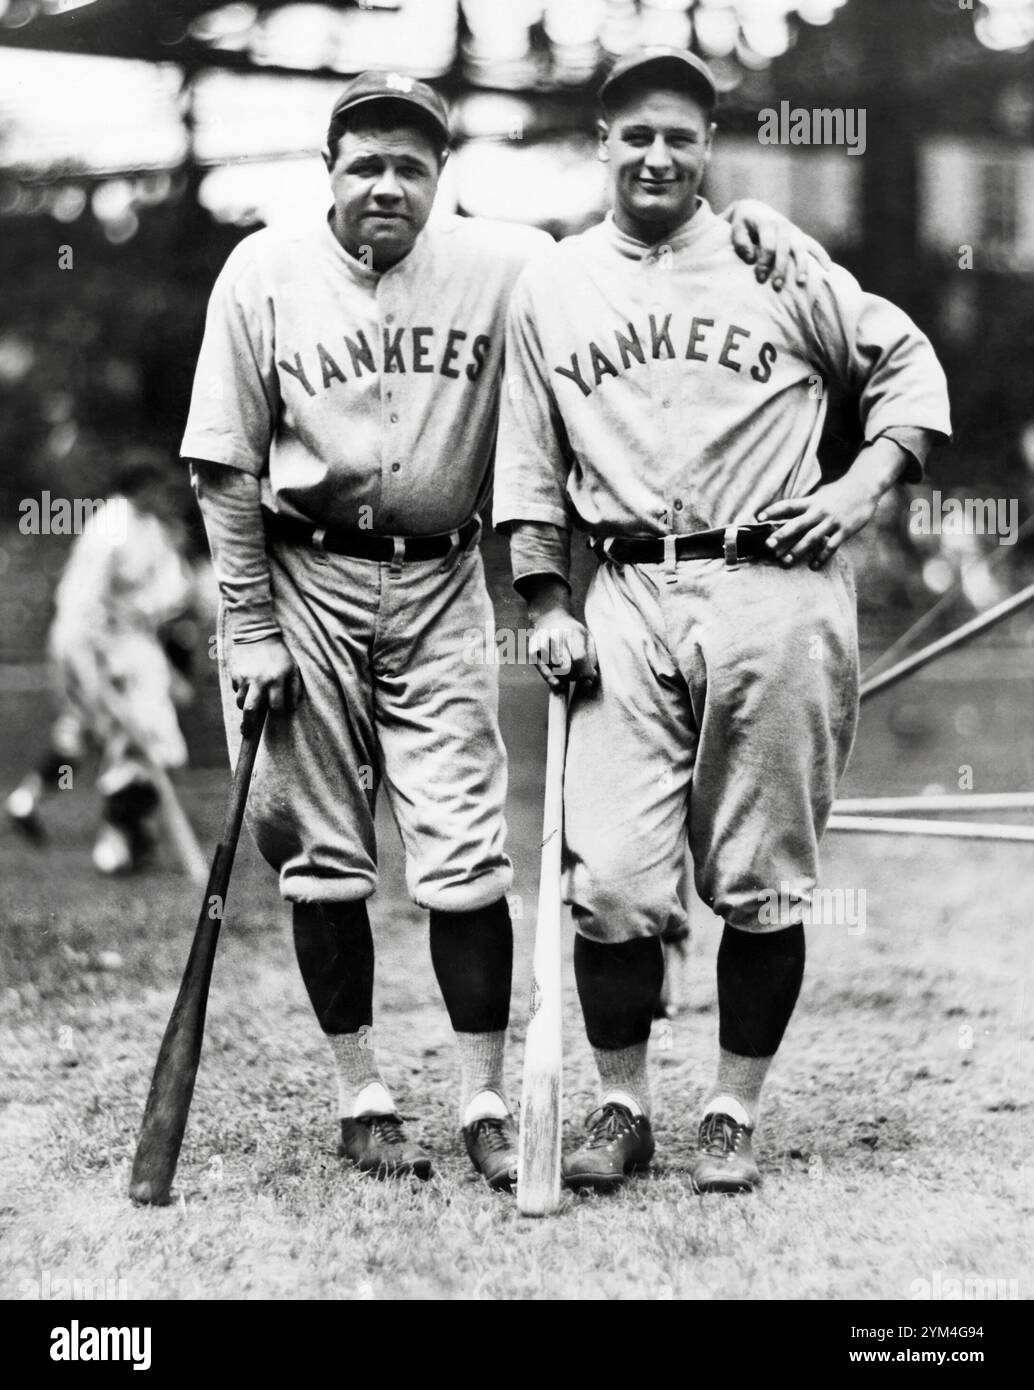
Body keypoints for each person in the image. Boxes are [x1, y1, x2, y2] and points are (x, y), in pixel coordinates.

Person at [181, 67, 831, 1187]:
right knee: (324, 861)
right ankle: (361, 1092)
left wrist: (752, 225)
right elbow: (223, 465)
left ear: (441, 175)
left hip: (441, 584)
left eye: (410, 166)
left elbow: (635, 246)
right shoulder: (263, 271)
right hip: (302, 579)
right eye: (364, 164)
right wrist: (247, 627)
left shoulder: (510, 263)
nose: (386, 184)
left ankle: (483, 1097)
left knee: (465, 856)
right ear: (325, 170)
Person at [495, 47, 952, 1194]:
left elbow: (902, 368)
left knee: (761, 876)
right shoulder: (549, 283)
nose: (657, 154)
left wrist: (852, 492)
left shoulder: (774, 259)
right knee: (607, 880)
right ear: (601, 143)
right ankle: (619, 1105)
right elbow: (527, 461)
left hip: (772, 588)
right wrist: (544, 597)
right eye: (635, 133)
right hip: (629, 595)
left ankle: (729, 1112)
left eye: (680, 136)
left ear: (707, 149)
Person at [5, 454, 198, 875]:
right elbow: (81, 608)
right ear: (139, 487)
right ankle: (115, 844)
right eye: (158, 488)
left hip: (129, 646)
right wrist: (96, 672)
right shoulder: (110, 526)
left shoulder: (151, 526)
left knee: (130, 742)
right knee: (117, 737)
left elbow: (170, 596)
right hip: (90, 646)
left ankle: (120, 839)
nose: (167, 496)